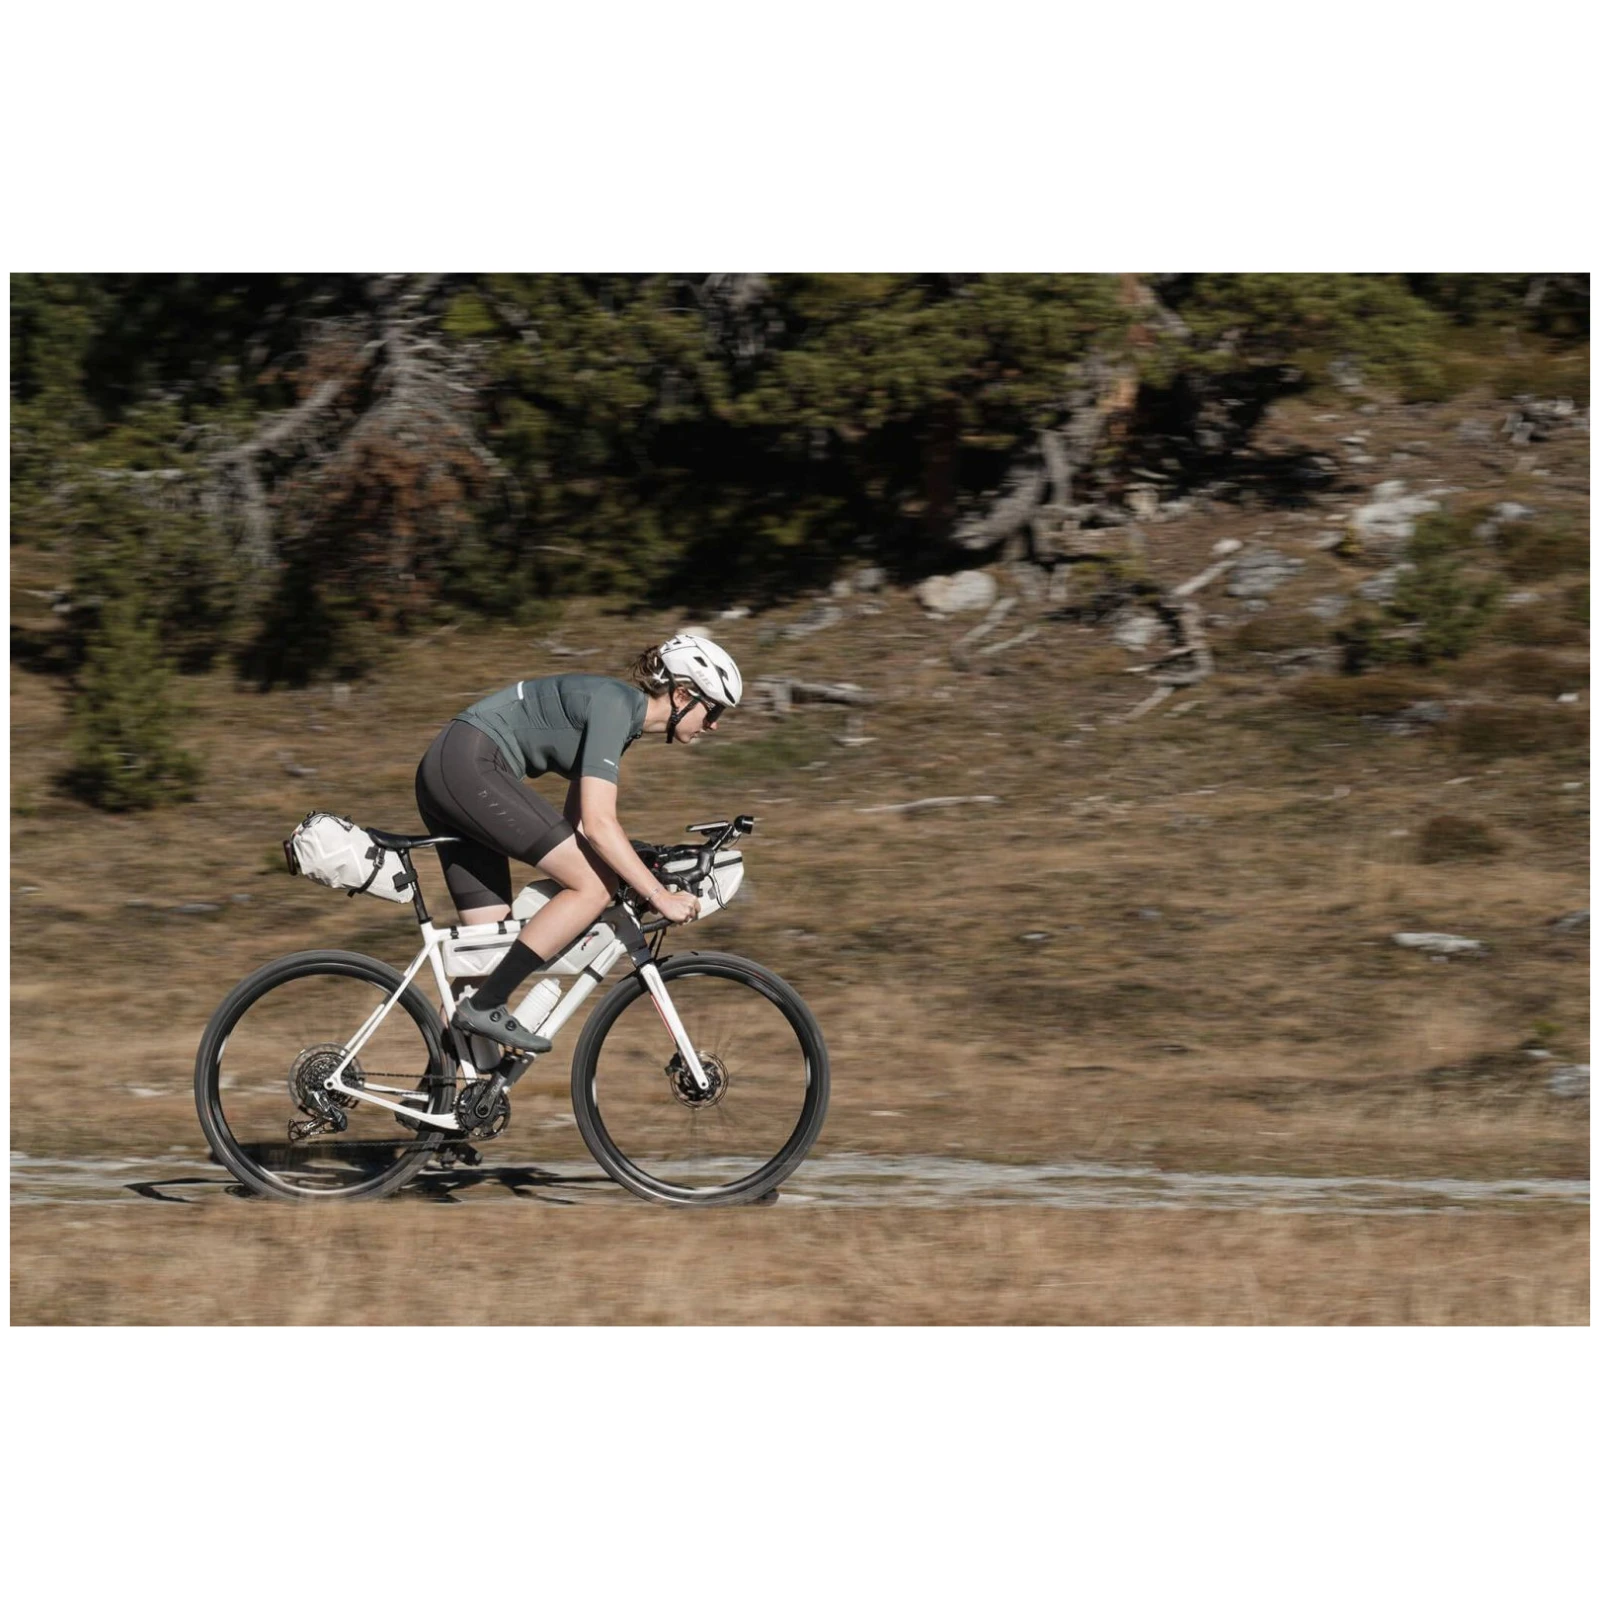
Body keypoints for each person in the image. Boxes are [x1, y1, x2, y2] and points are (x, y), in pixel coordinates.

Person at [414, 633, 743, 1055]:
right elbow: (600, 826)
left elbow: (579, 828)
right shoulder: (615, 706)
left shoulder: (620, 717)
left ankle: (439, 1087)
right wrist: (658, 896)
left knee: (489, 954)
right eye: (713, 710)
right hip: (468, 765)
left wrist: (641, 862)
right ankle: (487, 1006)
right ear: (682, 694)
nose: (714, 724)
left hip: (451, 768)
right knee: (595, 885)